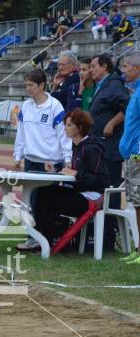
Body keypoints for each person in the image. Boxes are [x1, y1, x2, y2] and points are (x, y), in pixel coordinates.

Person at [14, 69, 72, 251]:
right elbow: (20, 134)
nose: (27, 88)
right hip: (31, 161)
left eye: (31, 85)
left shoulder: (55, 107)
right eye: (26, 85)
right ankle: (34, 238)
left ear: (41, 86)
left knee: (46, 203)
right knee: (30, 202)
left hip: (50, 163)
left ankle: (47, 238)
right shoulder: (26, 107)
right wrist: (18, 156)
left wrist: (67, 158)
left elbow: (64, 136)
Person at [34, 109, 109, 245]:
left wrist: (75, 174)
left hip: (93, 198)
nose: (65, 129)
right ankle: (42, 239)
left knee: (47, 197)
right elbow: (77, 175)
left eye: (69, 125)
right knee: (44, 191)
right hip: (81, 193)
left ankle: (43, 240)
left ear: (79, 128)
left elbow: (101, 180)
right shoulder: (78, 147)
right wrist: (56, 171)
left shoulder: (91, 148)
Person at [89, 53, 130, 250]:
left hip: (110, 148)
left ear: (104, 66)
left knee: (109, 193)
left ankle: (108, 240)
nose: (91, 70)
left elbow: (127, 107)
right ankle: (100, 237)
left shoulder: (114, 85)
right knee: (101, 192)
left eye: (94, 66)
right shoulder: (104, 86)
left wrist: (111, 123)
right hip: (101, 147)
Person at [118, 51, 140, 264]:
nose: (123, 71)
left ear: (137, 68)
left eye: (126, 66)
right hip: (131, 155)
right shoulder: (136, 91)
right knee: (135, 203)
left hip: (137, 155)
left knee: (139, 203)